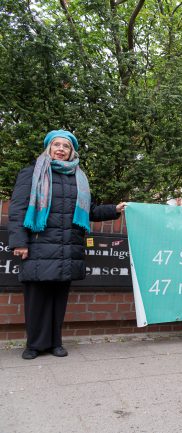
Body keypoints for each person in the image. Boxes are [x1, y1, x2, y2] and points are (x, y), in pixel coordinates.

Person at [8, 130, 126, 360]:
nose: (61, 149)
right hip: (38, 245)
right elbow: (18, 209)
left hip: (67, 248)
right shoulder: (32, 173)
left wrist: (114, 210)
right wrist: (19, 242)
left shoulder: (78, 178)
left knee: (58, 299)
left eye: (66, 146)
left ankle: (54, 343)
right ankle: (34, 345)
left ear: (72, 151)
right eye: (57, 145)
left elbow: (87, 211)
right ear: (48, 148)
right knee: (36, 299)